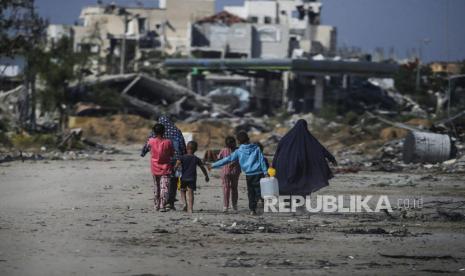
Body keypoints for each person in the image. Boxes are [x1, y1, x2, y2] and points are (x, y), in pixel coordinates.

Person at [272, 119, 337, 196]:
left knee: (286, 184)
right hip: (303, 165)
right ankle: (300, 203)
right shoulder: (309, 138)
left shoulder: (286, 138)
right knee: (302, 184)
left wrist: (274, 165)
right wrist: (331, 158)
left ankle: (288, 202)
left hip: (286, 165)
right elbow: (320, 149)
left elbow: (278, 152)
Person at [210, 131, 268, 215]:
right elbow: (261, 160)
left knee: (251, 192)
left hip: (249, 174)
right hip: (259, 173)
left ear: (239, 141)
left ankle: (252, 210)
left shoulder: (239, 151)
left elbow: (227, 159)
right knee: (259, 190)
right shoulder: (256, 148)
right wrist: (265, 172)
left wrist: (213, 165)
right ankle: (261, 204)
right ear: (248, 139)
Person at [141, 115, 186, 210]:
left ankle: (158, 204)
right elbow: (182, 145)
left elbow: (147, 145)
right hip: (175, 160)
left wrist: (143, 153)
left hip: (158, 164)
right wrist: (183, 156)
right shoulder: (177, 131)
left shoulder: (154, 133)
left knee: (158, 185)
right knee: (172, 182)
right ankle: (170, 202)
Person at [146, 123, 174, 212]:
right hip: (166, 167)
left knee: (156, 186)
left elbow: (148, 149)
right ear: (164, 131)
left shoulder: (150, 141)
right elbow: (172, 153)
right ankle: (162, 205)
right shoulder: (168, 142)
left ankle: (156, 205)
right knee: (165, 187)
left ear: (154, 131)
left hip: (154, 167)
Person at [175, 141, 209, 213]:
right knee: (191, 193)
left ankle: (184, 203)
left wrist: (174, 169)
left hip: (183, 178)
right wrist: (206, 175)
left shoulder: (182, 157)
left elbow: (177, 164)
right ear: (196, 149)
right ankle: (190, 209)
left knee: (182, 190)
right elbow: (202, 167)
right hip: (192, 178)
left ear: (186, 148)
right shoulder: (196, 158)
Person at [217, 136, 241, 213]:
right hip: (235, 171)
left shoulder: (223, 150)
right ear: (234, 143)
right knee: (234, 188)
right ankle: (234, 205)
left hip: (225, 171)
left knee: (225, 189)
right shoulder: (238, 150)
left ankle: (225, 206)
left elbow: (219, 158)